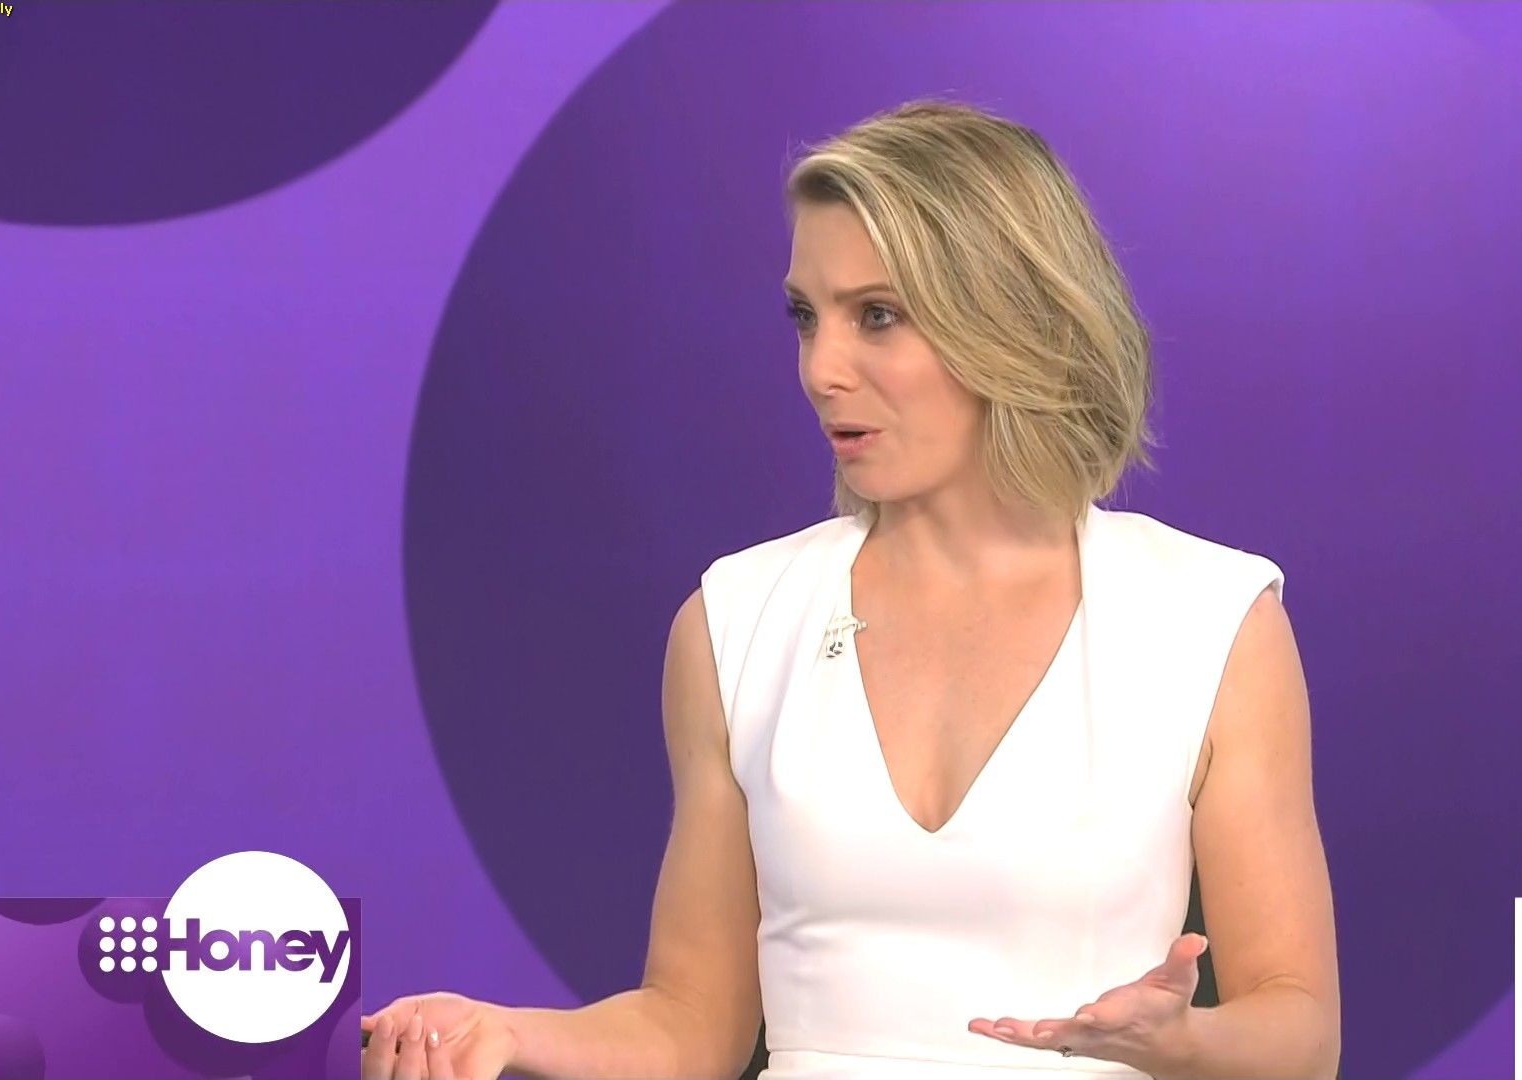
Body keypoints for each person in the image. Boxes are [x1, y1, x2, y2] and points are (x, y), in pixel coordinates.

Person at [362, 98, 1339, 1080]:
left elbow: (1299, 1029)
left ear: (1008, 317)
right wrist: (506, 1032)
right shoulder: (734, 623)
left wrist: (1181, 1040)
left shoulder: (1210, 621)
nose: (821, 370)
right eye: (805, 317)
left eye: (877, 316)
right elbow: (690, 1026)